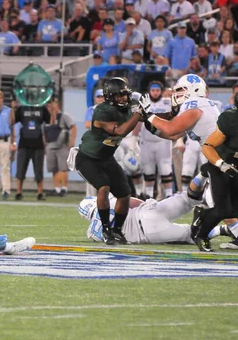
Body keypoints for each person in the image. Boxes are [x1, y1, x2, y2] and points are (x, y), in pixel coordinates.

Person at [73, 77, 145, 245]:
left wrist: (171, 112)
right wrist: (139, 113)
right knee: (103, 187)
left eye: (124, 94)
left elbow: (151, 118)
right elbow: (120, 130)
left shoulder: (129, 106)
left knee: (124, 194)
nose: (122, 98)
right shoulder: (102, 111)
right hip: (88, 158)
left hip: (106, 158)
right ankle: (105, 229)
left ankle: (117, 230)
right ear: (109, 97)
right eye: (117, 95)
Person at [143, 74, 220, 202]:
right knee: (200, 191)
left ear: (194, 89)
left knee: (216, 202)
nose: (176, 93)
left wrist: (149, 115)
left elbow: (171, 128)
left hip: (220, 156)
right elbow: (174, 135)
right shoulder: (201, 103)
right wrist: (154, 130)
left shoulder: (194, 104)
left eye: (180, 90)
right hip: (217, 155)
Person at [190, 105, 238, 252]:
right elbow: (208, 146)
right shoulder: (231, 119)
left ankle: (202, 214)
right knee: (223, 210)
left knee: (234, 210)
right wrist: (221, 164)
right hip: (221, 166)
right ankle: (201, 236)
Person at [79, 191, 200, 244]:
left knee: (191, 233)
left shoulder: (92, 233)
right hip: (146, 213)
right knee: (186, 199)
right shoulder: (111, 200)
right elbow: (134, 202)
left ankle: (219, 230)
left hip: (147, 234)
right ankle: (207, 183)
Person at [137, 81, 174, 199]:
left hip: (162, 141)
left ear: (161, 91)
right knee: (148, 169)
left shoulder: (167, 102)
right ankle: (148, 195)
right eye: (153, 90)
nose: (155, 93)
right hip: (146, 141)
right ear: (149, 91)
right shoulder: (143, 103)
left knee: (165, 169)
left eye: (157, 90)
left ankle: (169, 195)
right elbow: (137, 121)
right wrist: (134, 138)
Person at [14, 100, 47, 201]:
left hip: (38, 144)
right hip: (23, 143)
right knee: (20, 169)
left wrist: (53, 109)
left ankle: (40, 193)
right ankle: (19, 192)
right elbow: (12, 121)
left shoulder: (42, 107)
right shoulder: (21, 108)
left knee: (38, 170)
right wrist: (12, 108)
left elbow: (51, 121)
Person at [43, 98, 76, 197]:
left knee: (63, 168)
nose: (51, 107)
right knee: (54, 168)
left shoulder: (64, 116)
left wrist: (72, 141)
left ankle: (64, 189)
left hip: (62, 146)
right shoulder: (46, 118)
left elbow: (73, 127)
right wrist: (44, 145)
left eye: (53, 105)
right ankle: (57, 189)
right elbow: (44, 132)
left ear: (57, 106)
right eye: (49, 106)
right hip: (50, 146)